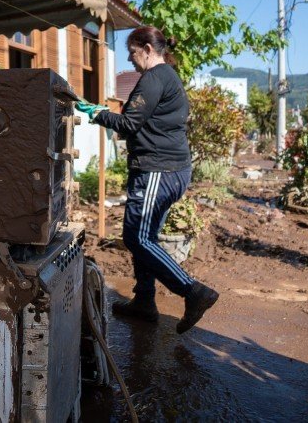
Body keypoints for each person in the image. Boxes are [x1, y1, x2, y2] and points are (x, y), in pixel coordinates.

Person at [76, 25, 219, 334]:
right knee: (146, 237)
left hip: (158, 170)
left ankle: (193, 291)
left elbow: (128, 124)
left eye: (133, 52)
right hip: (171, 170)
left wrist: (98, 113)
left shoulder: (154, 78)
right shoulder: (167, 76)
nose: (130, 59)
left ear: (148, 49)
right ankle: (144, 301)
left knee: (137, 238)